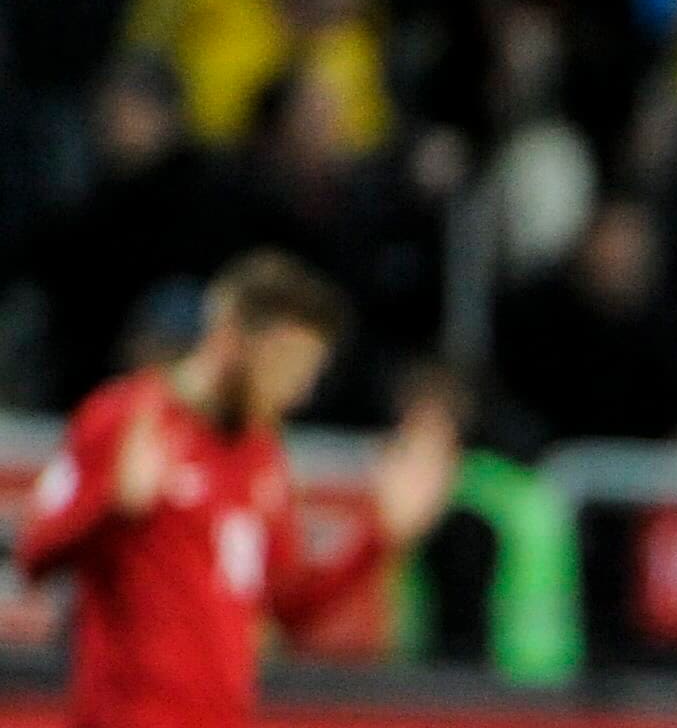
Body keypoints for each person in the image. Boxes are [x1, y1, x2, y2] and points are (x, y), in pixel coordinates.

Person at [15, 249, 457, 728]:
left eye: (306, 374)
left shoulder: (261, 451)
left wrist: (380, 537)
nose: (297, 392)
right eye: (285, 367)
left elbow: (288, 606)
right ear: (229, 339)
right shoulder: (125, 417)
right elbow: (33, 553)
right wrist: (113, 505)